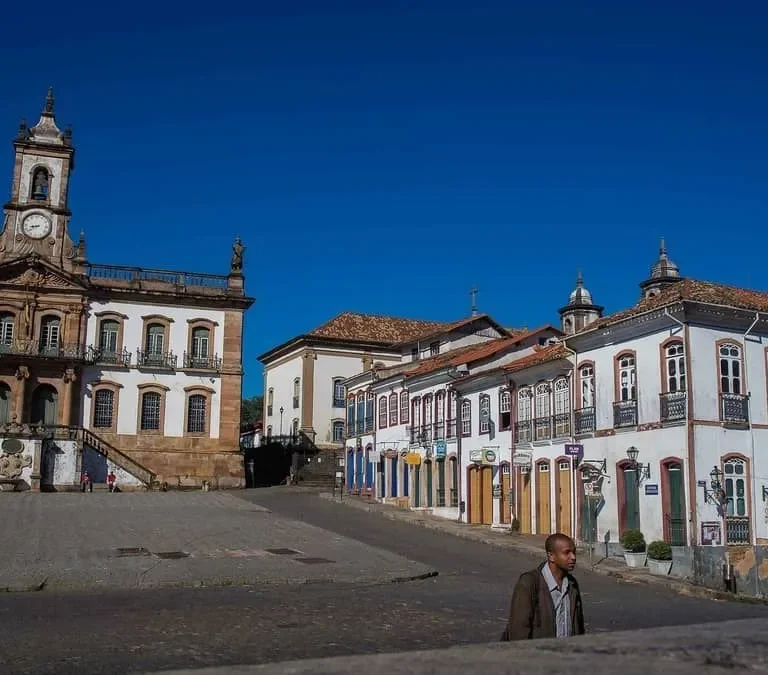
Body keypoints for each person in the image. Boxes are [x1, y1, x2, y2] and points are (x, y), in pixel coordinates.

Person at [501, 532, 585, 641]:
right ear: (551, 556)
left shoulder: (572, 585)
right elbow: (519, 630)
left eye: (574, 552)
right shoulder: (529, 583)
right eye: (567, 553)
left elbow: (579, 626)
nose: (573, 557)